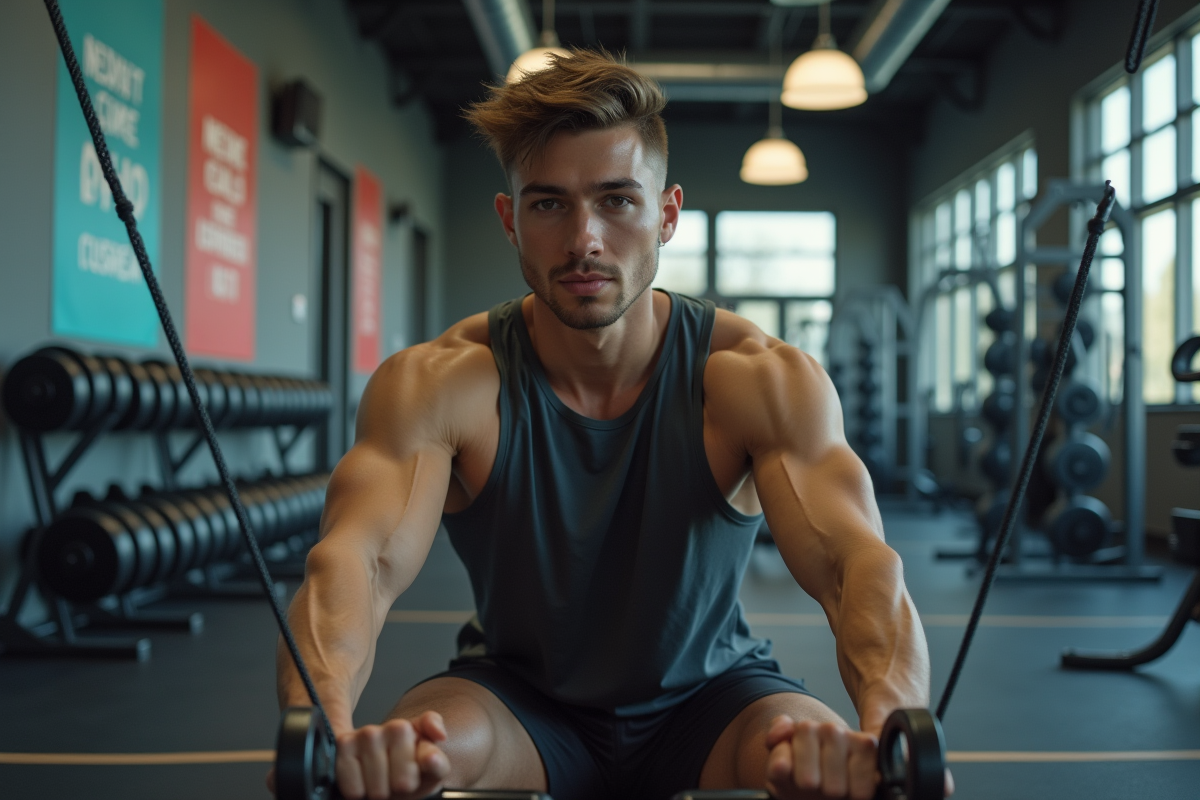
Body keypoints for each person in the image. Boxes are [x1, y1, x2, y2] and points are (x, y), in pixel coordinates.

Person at [276, 49, 933, 800]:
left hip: (716, 701)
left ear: (667, 213)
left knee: (814, 753)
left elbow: (856, 565)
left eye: (617, 201)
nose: (584, 238)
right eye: (549, 203)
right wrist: (318, 718)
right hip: (518, 702)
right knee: (423, 745)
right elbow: (356, 562)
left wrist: (890, 722)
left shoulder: (757, 379)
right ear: (509, 219)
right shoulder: (443, 382)